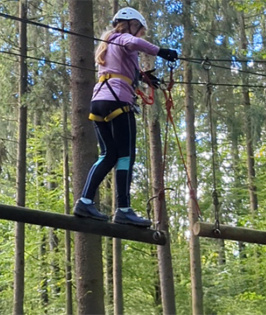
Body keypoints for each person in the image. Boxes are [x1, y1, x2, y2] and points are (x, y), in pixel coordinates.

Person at [73, 7, 178, 227]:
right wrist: (161, 51)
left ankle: (84, 201)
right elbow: (134, 43)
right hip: (118, 101)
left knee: (108, 154)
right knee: (126, 155)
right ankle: (123, 209)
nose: (139, 35)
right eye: (138, 30)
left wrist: (142, 77)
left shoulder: (109, 43)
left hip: (99, 101)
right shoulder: (123, 38)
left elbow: (123, 64)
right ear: (130, 24)